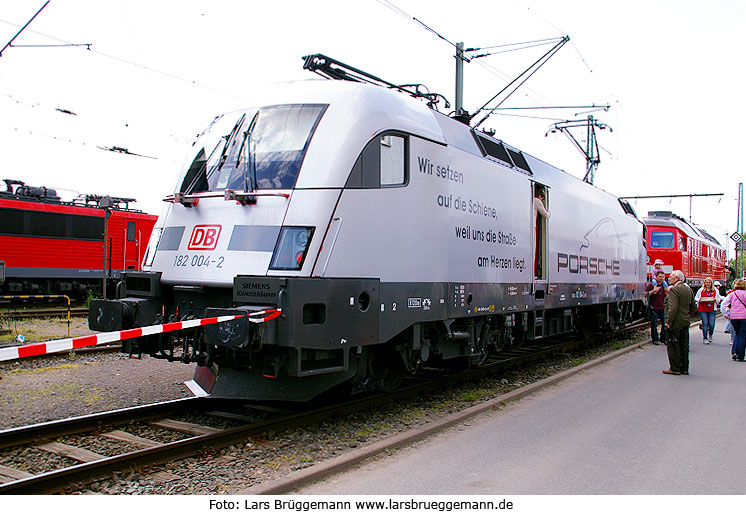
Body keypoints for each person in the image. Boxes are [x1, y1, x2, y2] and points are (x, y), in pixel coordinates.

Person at [663, 270, 697, 375]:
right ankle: (684, 367)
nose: (668, 278)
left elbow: (672, 308)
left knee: (673, 345)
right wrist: (686, 316)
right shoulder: (688, 290)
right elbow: (694, 307)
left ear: (677, 278)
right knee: (684, 345)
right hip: (685, 321)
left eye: (671, 277)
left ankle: (675, 368)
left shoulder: (674, 290)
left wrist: (668, 321)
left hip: (675, 322)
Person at [720, 279, 746, 361]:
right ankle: (740, 356)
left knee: (737, 334)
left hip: (734, 317)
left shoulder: (732, 294)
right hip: (744, 317)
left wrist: (725, 314)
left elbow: (723, 304)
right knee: (742, 336)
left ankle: (734, 351)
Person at [645, 271, 669, 344]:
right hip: (654, 308)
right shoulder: (651, 285)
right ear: (656, 277)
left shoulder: (664, 286)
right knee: (654, 325)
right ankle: (655, 339)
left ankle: (663, 338)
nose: (661, 278)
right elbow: (645, 294)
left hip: (663, 308)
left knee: (664, 324)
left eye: (663, 277)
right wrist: (653, 291)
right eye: (660, 277)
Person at [694, 277, 721, 343]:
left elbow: (718, 299)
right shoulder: (701, 290)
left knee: (711, 324)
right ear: (704, 283)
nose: (708, 284)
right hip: (703, 309)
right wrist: (699, 300)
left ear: (711, 283)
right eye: (706, 282)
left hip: (712, 309)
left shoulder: (715, 290)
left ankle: (710, 334)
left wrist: (716, 300)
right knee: (705, 323)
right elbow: (696, 298)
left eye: (709, 282)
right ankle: (705, 338)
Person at [533, 185, 550, 278]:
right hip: (533, 227)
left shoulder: (529, 199)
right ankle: (533, 273)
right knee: (533, 251)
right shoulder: (537, 201)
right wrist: (549, 212)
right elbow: (545, 214)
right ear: (540, 196)